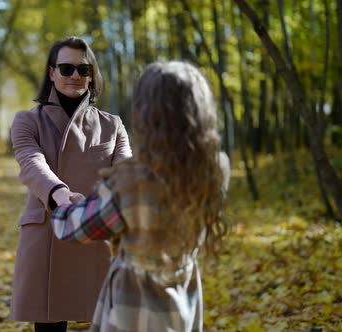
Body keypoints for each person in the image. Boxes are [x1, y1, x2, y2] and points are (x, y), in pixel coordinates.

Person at [51, 60, 230, 332]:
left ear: (148, 115)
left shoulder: (132, 181)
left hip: (132, 310)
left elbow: (73, 227)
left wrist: (64, 204)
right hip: (182, 303)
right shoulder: (216, 169)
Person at [9, 36, 132, 332]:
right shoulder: (27, 121)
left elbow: (127, 173)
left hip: (97, 234)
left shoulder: (112, 125)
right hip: (48, 232)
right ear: (52, 72)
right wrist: (60, 194)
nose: (75, 75)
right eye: (66, 68)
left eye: (83, 69)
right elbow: (31, 163)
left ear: (91, 75)